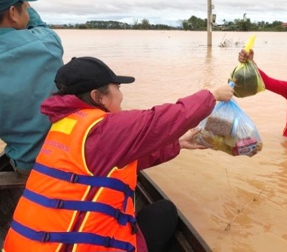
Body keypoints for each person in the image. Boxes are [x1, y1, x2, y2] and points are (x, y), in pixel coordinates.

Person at [3, 56, 234, 252]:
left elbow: (120, 162)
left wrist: (177, 144)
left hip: (23, 244)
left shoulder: (65, 126)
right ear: (98, 97)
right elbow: (160, 120)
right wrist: (211, 95)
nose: (121, 96)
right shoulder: (102, 128)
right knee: (165, 213)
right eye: (117, 89)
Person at [0, 0, 64, 174]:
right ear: (13, 12)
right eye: (25, 6)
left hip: (25, 165)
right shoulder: (46, 42)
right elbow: (39, 26)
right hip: (64, 158)